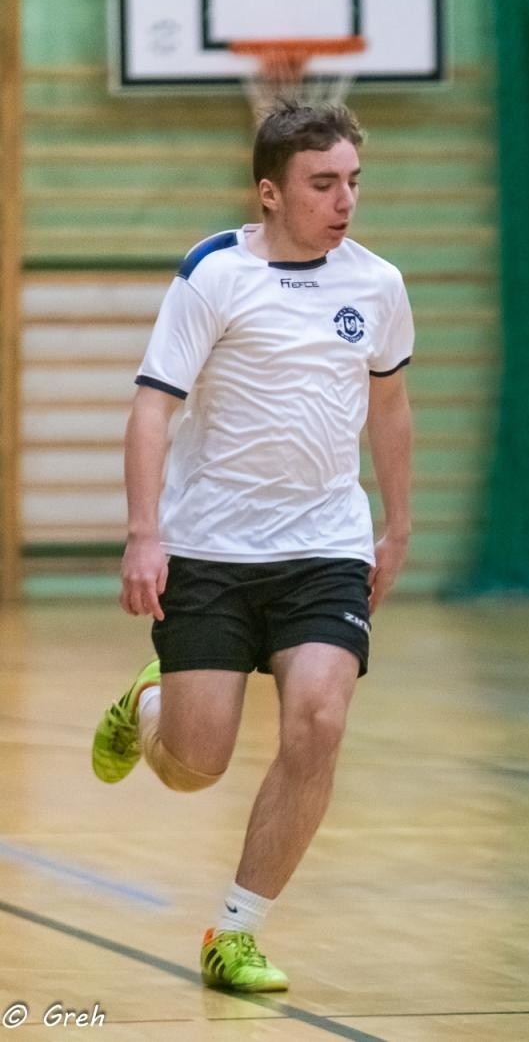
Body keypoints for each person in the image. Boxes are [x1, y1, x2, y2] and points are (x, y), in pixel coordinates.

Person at [89, 102, 415, 993]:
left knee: (320, 720)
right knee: (195, 766)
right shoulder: (215, 274)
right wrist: (144, 533)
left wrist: (395, 526)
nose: (344, 200)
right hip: (210, 549)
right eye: (323, 183)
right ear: (269, 192)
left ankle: (236, 930)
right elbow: (152, 407)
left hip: (325, 548)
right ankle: (151, 704)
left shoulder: (378, 284)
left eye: (353, 181)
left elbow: (389, 406)